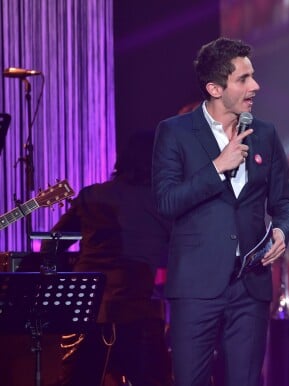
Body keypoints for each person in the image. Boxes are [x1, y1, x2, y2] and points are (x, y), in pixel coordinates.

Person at [151, 37, 289, 386]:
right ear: (215, 88)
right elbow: (166, 202)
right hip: (195, 288)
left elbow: (285, 204)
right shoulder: (174, 132)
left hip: (250, 285)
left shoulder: (265, 133)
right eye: (243, 79)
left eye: (253, 76)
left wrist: (281, 231)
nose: (255, 86)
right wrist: (217, 167)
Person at [40, 130, 173, 386]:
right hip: (137, 314)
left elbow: (51, 247)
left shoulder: (92, 195)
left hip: (85, 314)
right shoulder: (163, 203)